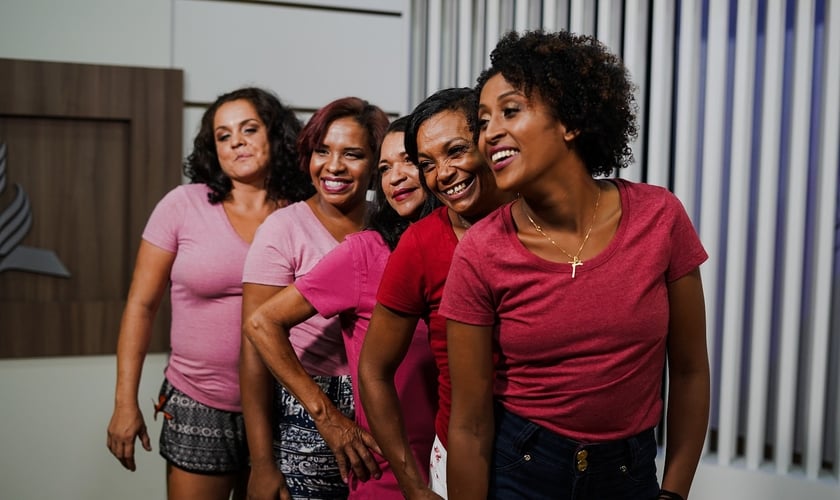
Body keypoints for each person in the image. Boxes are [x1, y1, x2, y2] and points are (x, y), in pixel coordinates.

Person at [439, 30, 710, 500]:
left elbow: (689, 371)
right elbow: (470, 424)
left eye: (510, 110)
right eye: (483, 122)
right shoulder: (481, 250)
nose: (490, 134)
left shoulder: (660, 217)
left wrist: (675, 491)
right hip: (524, 469)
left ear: (570, 121)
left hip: (630, 474)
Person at [106, 87, 309, 500]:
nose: (236, 141)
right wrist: (125, 401)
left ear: (274, 134)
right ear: (212, 148)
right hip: (200, 403)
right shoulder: (182, 205)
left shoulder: (305, 210)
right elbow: (141, 306)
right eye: (223, 135)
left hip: (287, 405)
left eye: (249, 128)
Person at [241, 116, 440, 498]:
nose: (396, 176)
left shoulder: (441, 240)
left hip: (440, 448)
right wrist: (268, 459)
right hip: (338, 428)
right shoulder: (363, 248)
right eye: (387, 166)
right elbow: (258, 329)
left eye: (352, 154)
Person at [357, 88, 515, 499]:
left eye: (456, 150)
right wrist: (412, 484)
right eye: (427, 163)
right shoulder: (421, 243)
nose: (442, 173)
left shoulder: (541, 227)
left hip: (548, 457)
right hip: (459, 457)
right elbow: (373, 369)